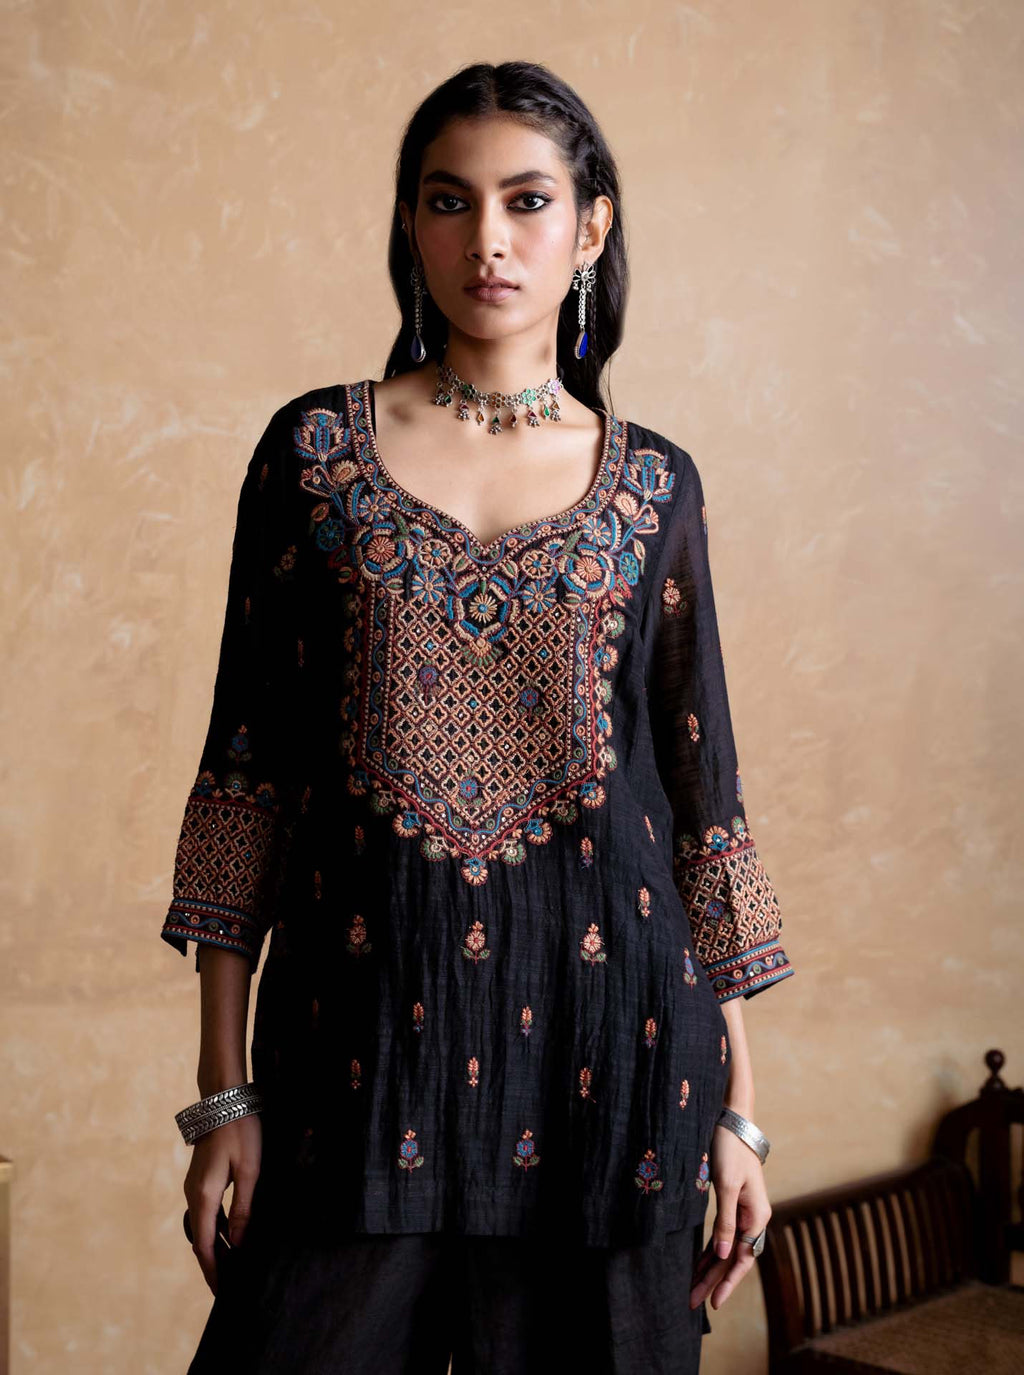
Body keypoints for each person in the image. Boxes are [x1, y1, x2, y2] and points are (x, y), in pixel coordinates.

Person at [161, 59, 794, 1375]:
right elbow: (244, 777)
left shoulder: (654, 490)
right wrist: (224, 1092)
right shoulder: (314, 459)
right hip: (355, 1061)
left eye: (527, 201)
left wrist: (743, 1109)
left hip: (612, 1070)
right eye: (450, 202)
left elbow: (698, 799)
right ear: (410, 224)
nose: (488, 239)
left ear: (590, 228)